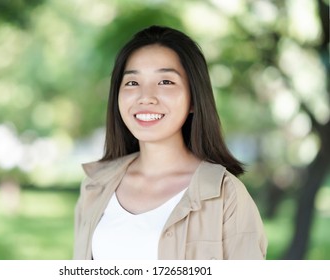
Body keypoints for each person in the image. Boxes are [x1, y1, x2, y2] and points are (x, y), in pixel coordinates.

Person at [73, 25, 267, 260]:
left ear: (194, 99)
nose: (146, 97)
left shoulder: (226, 195)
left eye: (165, 82)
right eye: (132, 83)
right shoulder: (95, 186)